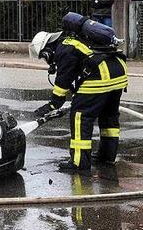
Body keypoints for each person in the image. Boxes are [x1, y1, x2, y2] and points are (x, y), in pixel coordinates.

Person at [30, 13, 128, 173]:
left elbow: (63, 81)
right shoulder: (76, 41)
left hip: (101, 78)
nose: (46, 60)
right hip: (118, 74)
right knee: (109, 117)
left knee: (80, 118)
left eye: (43, 57)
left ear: (46, 50)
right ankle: (107, 156)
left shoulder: (65, 48)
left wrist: (53, 104)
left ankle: (79, 163)